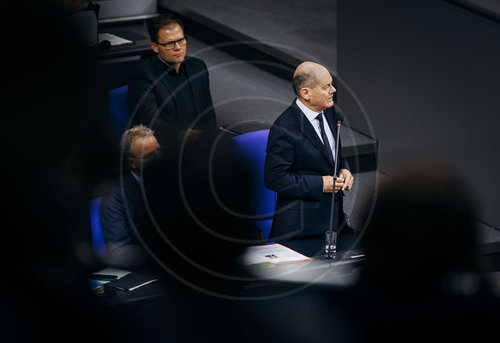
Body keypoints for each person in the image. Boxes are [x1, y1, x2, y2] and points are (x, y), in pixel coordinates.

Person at [264, 61, 354, 255]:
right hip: (301, 229)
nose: (333, 90)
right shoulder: (285, 128)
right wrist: (321, 184)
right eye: (326, 86)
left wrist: (344, 168)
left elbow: (333, 153)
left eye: (331, 84)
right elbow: (275, 178)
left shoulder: (329, 112)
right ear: (306, 93)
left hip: (334, 222)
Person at [129, 12, 217, 147]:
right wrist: (180, 135)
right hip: (164, 144)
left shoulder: (198, 66)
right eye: (170, 44)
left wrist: (210, 138)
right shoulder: (143, 73)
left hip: (199, 143)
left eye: (181, 40)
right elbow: (150, 120)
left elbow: (208, 113)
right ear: (155, 47)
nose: (178, 48)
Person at [100, 125, 161, 268]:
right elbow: (117, 250)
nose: (159, 160)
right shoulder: (115, 194)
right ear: (132, 162)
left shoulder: (174, 179)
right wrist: (161, 253)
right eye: (150, 156)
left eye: (159, 151)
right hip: (147, 270)